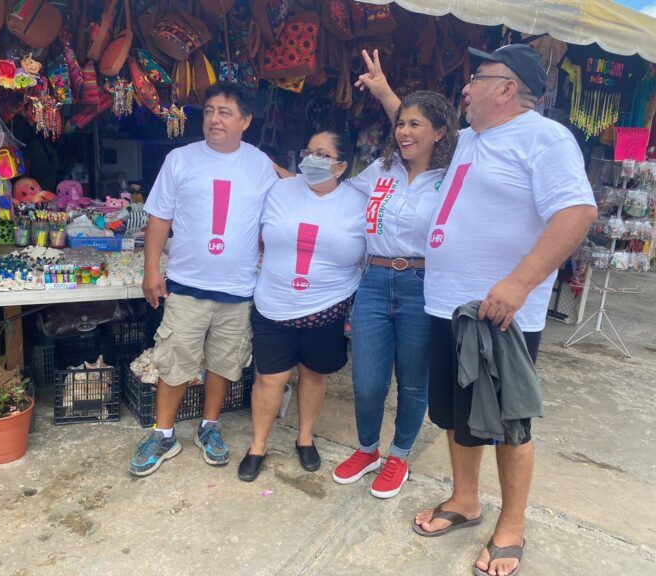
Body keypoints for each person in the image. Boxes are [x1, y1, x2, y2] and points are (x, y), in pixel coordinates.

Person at [359, 46, 597, 575]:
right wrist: (385, 95)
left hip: (500, 314)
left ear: (507, 88)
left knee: (509, 424)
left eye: (476, 79)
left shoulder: (545, 137)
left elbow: (578, 211)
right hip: (447, 307)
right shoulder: (468, 138)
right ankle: (464, 500)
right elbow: (421, 129)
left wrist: (519, 283)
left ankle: (511, 526)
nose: (464, 89)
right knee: (456, 417)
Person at [129, 82, 279, 477]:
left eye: (226, 112)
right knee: (174, 360)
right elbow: (158, 217)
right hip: (187, 285)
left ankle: (209, 427)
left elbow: (298, 192)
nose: (214, 119)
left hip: (237, 289)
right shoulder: (180, 159)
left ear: (245, 122)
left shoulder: (260, 164)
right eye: (210, 110)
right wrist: (150, 270)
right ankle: (163, 434)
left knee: (223, 364)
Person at [331, 90, 459, 499]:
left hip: (422, 286)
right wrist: (284, 176)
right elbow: (335, 191)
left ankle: (398, 455)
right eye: (400, 123)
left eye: (415, 124)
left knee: (413, 382)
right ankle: (368, 450)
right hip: (374, 282)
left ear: (440, 133)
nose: (403, 131)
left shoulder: (453, 175)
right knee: (367, 380)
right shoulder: (380, 170)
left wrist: (387, 91)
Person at [238, 131, 366, 482]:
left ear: (341, 166)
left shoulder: (358, 201)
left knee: (313, 375)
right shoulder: (280, 191)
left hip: (326, 307)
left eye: (322, 155)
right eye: (308, 151)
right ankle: (258, 445)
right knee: (269, 378)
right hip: (274, 305)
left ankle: (305, 438)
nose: (310, 159)